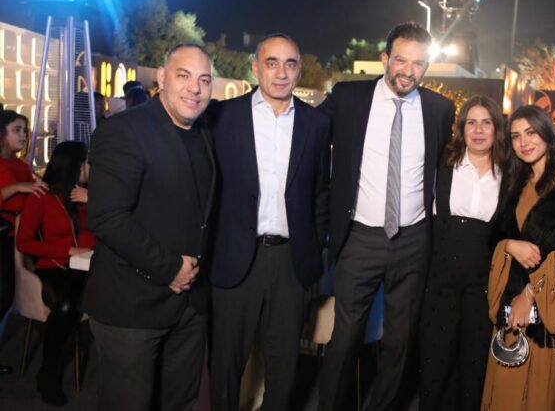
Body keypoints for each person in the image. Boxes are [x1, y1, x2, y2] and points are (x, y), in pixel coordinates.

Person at [317, 22, 455, 411]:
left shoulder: (439, 109)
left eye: (418, 63)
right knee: (345, 338)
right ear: (384, 59)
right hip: (359, 237)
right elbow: (308, 135)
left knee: (400, 341)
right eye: (401, 60)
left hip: (414, 239)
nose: (408, 71)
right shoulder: (348, 97)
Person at [82, 43, 215, 410]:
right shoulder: (124, 130)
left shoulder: (204, 132)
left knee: (180, 403)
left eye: (204, 80)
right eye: (184, 76)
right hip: (131, 305)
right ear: (161, 77)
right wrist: (169, 268)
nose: (195, 88)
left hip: (189, 308)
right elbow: (107, 217)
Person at [208, 34, 330, 411]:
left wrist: (315, 247)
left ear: (299, 70)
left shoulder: (316, 123)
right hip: (234, 258)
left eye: (290, 64)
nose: (281, 73)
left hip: (291, 262)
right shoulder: (222, 116)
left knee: (284, 365)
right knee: (226, 363)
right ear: (255, 67)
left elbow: (320, 193)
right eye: (272, 63)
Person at [481, 105, 555, 411]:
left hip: (554, 302)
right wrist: (509, 245)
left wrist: (530, 295)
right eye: (516, 136)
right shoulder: (515, 183)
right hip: (512, 295)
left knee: (543, 388)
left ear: (547, 133)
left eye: (531, 133)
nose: (524, 142)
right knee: (508, 381)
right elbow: (495, 234)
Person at [418, 96, 505, 410]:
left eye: (486, 123)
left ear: (497, 129)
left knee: (474, 363)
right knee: (435, 361)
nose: (478, 130)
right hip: (440, 279)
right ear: (461, 128)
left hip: (483, 284)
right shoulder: (443, 164)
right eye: (471, 122)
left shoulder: (509, 173)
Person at [16, 141, 95, 406]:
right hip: (53, 265)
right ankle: (48, 372)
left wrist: (92, 201)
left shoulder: (85, 195)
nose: (90, 167)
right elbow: (24, 242)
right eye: (86, 162)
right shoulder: (41, 197)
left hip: (87, 264)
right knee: (67, 306)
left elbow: (102, 228)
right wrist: (68, 250)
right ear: (75, 165)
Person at [0, 110, 47, 376]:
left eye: (24, 130)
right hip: (4, 235)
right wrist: (20, 188)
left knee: (6, 297)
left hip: (13, 238)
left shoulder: (20, 165)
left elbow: (34, 192)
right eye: (16, 130)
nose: (23, 135)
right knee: (3, 296)